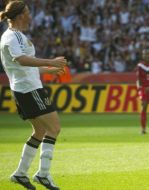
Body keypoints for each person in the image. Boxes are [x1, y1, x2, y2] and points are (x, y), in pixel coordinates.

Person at [0, 1, 67, 190]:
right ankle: (43, 175)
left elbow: (23, 68)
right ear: (21, 15)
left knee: (39, 131)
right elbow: (20, 60)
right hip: (29, 90)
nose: (30, 15)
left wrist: (48, 70)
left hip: (26, 88)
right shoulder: (12, 37)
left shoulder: (17, 36)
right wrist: (51, 62)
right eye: (28, 12)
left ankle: (20, 174)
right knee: (54, 128)